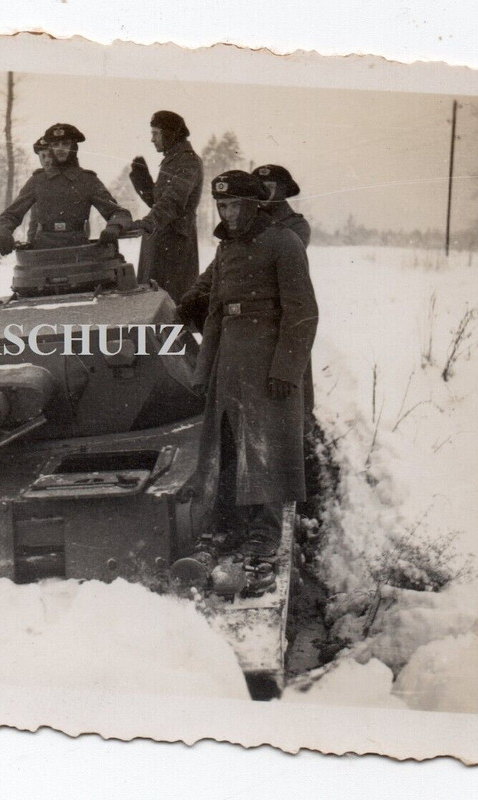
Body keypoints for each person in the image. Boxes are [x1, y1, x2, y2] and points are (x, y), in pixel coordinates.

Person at [190, 171, 318, 596]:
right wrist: (203, 368)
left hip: (267, 362)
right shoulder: (226, 246)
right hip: (229, 362)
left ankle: (263, 540)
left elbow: (302, 311)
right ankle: (222, 529)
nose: (228, 214)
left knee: (267, 449)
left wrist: (286, 369)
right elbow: (214, 311)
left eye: (234, 206)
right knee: (226, 448)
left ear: (253, 205)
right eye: (221, 206)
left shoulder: (284, 242)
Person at [178, 163, 310, 331]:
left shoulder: (295, 226)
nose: (265, 192)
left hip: (273, 304)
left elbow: (262, 264)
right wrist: (199, 289)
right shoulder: (242, 220)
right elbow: (222, 261)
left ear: (283, 191)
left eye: (270, 187)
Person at [0, 124, 131, 253]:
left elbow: (119, 213)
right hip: (43, 253)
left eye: (65, 144)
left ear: (74, 147)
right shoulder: (38, 181)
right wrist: (3, 234)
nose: (60, 148)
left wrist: (114, 227)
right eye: (55, 144)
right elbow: (10, 215)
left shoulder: (88, 181)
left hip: (79, 252)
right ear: (51, 148)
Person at [126, 110, 203, 302]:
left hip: (175, 244)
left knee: (170, 303)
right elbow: (160, 203)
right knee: (153, 301)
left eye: (156, 133)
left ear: (170, 134)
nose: (152, 139)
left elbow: (173, 202)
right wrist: (142, 180)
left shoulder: (187, 161)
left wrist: (148, 223)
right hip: (161, 239)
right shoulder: (172, 160)